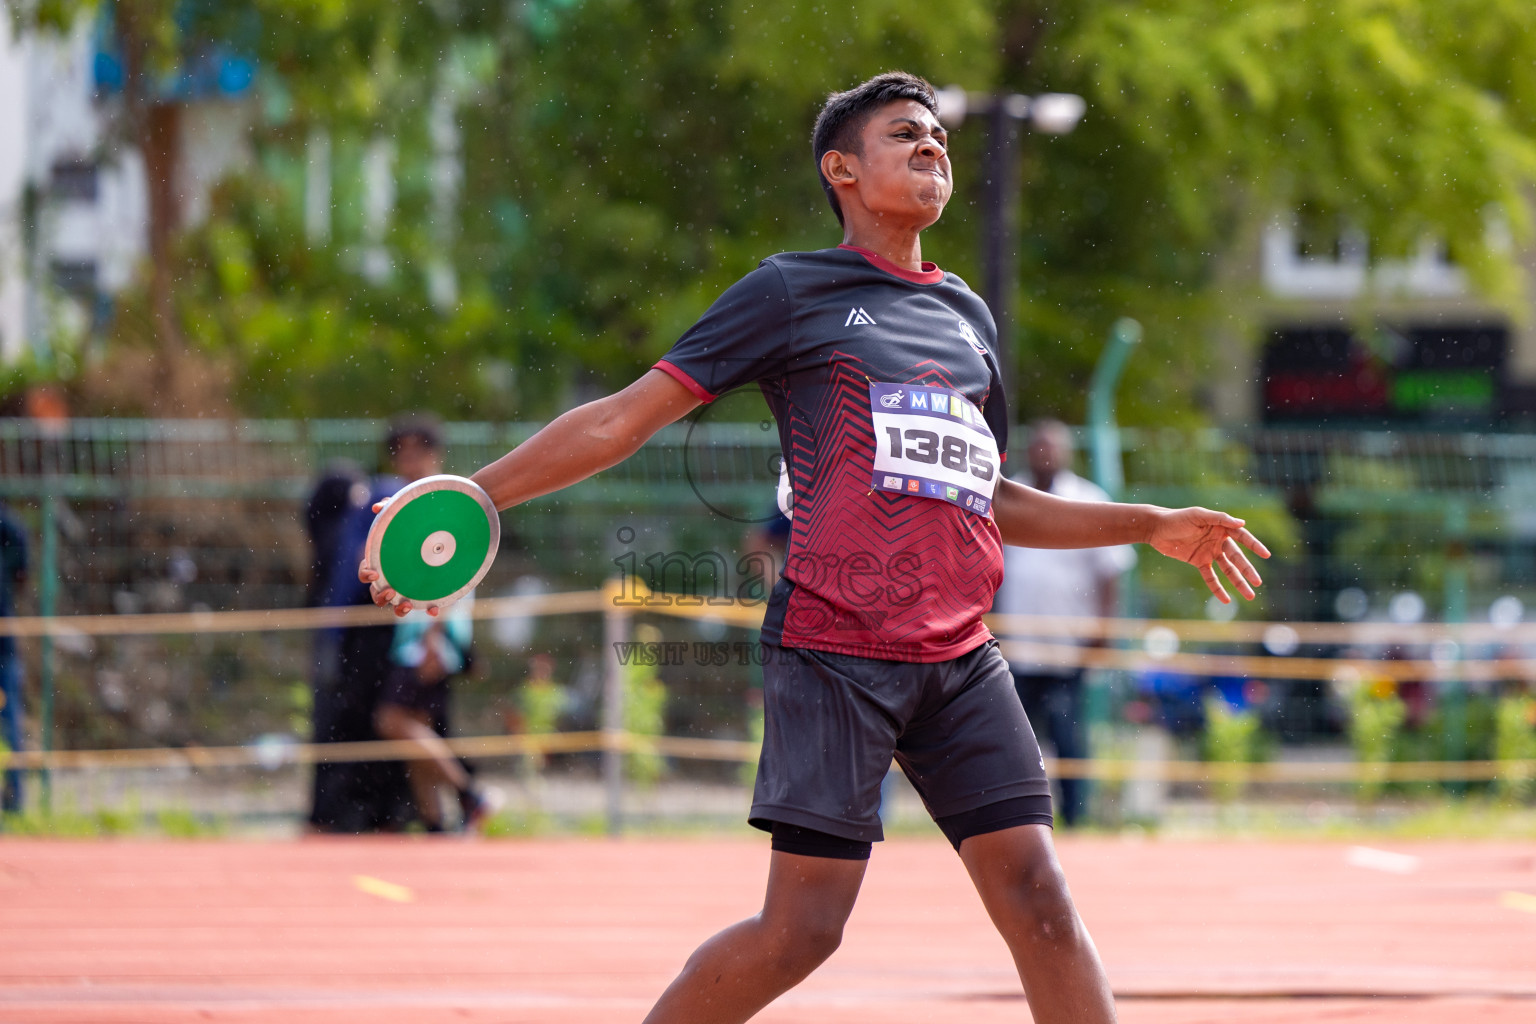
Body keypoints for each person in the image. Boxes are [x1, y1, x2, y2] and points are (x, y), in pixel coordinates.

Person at [363, 72, 1268, 1023]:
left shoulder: (968, 317)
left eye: (940, 139)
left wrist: (1151, 522)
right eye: (905, 135)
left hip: (960, 658)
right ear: (841, 169)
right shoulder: (791, 291)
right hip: (835, 648)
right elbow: (625, 419)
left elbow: (989, 496)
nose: (933, 149)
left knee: (1039, 897)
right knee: (802, 931)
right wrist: (477, 493)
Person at [994, 418, 1136, 827]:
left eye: (1052, 447)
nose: (1045, 454)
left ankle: (1075, 817)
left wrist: (1102, 631)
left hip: (1066, 646)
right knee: (1015, 742)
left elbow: (1111, 572)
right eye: (1038, 447)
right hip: (1015, 646)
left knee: (1068, 737)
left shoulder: (1087, 499)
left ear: (1067, 454)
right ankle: (1018, 821)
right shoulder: (1008, 496)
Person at [0, 500, 28, 813]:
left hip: (3, 646)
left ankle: (14, 801)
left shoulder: (7, 526)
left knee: (9, 725)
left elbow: (22, 573)